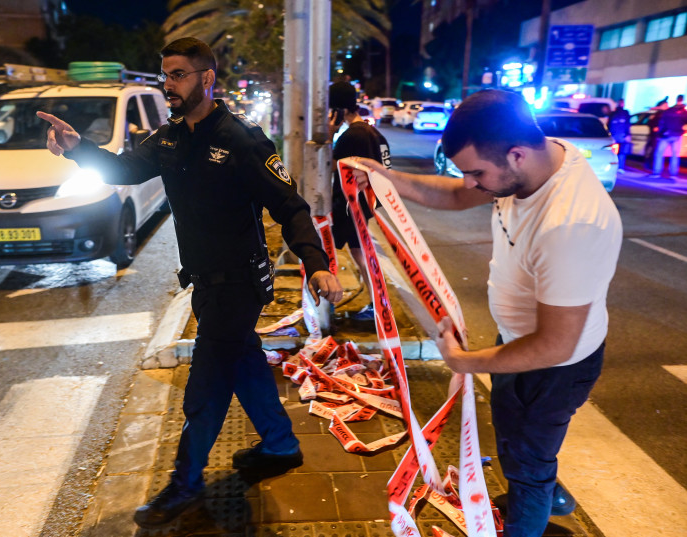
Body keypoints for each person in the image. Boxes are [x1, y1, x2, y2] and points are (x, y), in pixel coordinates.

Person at [37, 37, 342, 527]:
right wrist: (79, 150)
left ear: (207, 78)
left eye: (178, 75)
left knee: (205, 389)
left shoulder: (243, 140)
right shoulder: (172, 136)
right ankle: (282, 446)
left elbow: (290, 205)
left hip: (239, 284)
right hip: (204, 280)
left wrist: (317, 262)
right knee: (243, 362)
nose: (168, 85)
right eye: (165, 77)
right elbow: (127, 169)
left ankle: (185, 485)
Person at [349, 89, 622, 537]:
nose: (472, 184)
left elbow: (555, 345)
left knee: (529, 463)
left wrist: (462, 361)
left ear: (516, 155)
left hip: (554, 366)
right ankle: (533, 490)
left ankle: (531, 504)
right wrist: (387, 178)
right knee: (514, 438)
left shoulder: (572, 223)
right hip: (517, 342)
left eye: (477, 173)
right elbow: (457, 195)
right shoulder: (534, 162)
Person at [328, 80, 391, 320]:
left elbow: (327, 166)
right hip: (365, 204)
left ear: (338, 110)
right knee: (360, 253)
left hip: (348, 206)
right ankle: (379, 304)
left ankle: (326, 305)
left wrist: (329, 133)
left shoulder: (351, 135)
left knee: (323, 249)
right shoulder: (373, 132)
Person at [652, 94, 687, 178]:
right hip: (676, 135)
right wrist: (682, 130)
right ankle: (673, 174)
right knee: (675, 154)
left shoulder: (669, 110)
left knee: (659, 153)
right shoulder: (684, 112)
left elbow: (662, 122)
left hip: (666, 135)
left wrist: (660, 133)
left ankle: (656, 172)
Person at [607, 99, 631, 172]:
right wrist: (628, 134)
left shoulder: (613, 113)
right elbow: (627, 125)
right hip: (621, 135)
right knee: (621, 152)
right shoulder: (625, 113)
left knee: (615, 152)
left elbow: (609, 125)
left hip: (615, 135)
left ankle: (616, 166)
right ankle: (619, 167)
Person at [644, 98, 669, 169]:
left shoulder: (664, 113)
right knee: (653, 151)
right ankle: (651, 166)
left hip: (659, 135)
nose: (667, 106)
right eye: (665, 105)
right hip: (655, 136)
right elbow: (651, 123)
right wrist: (654, 127)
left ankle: (653, 166)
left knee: (656, 151)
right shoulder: (658, 114)